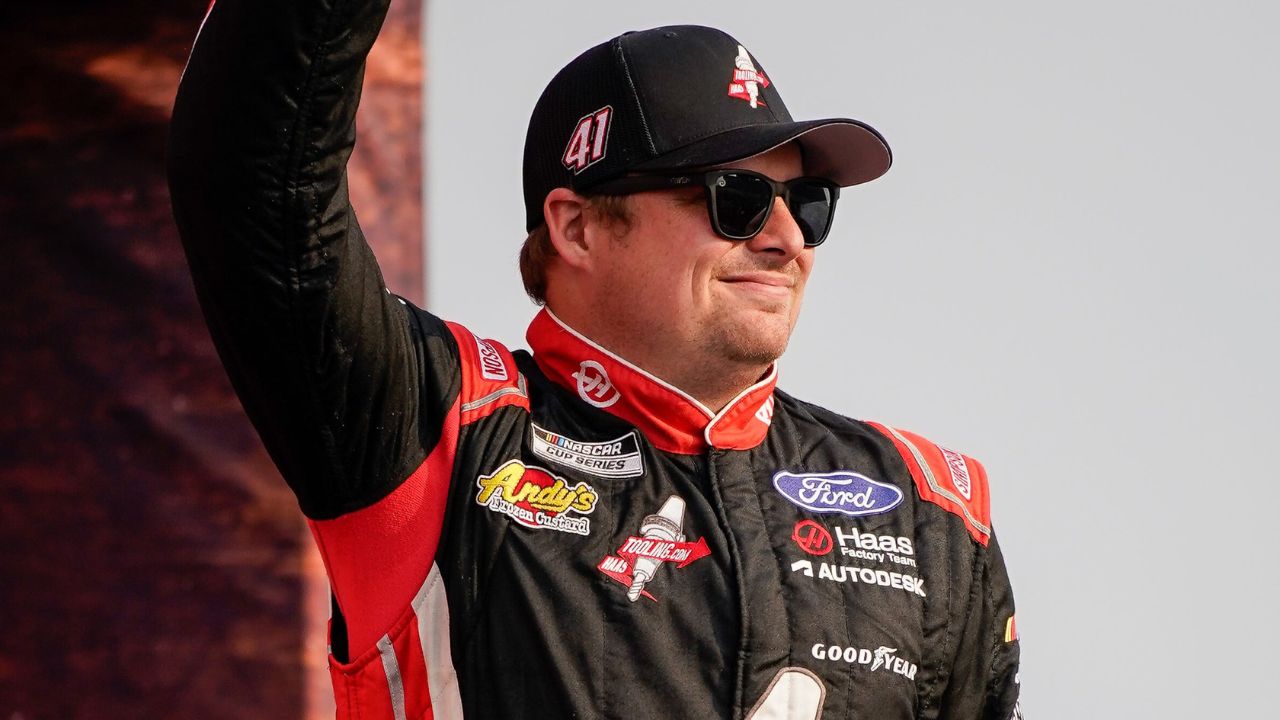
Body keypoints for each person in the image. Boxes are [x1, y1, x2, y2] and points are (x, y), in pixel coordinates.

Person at [169, 1, 1022, 718]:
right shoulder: (441, 424)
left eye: (809, 202)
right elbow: (251, 177)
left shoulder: (930, 510)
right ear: (576, 226)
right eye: (736, 199)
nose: (785, 238)